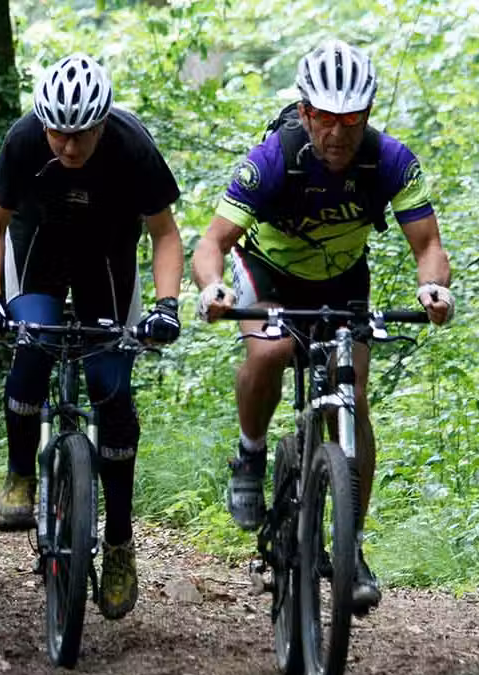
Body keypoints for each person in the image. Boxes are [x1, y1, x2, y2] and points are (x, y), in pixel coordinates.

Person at [191, 39, 453, 611]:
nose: (337, 134)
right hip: (269, 272)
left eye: (352, 120)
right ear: (305, 112)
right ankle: (251, 454)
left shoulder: (390, 161)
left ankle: (351, 544)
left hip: (340, 281)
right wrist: (212, 287)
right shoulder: (272, 160)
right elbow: (211, 243)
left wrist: (434, 286)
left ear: (368, 115)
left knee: (351, 398)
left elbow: (428, 244)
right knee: (267, 352)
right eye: (325, 119)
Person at [0, 53, 185, 620]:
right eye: (58, 133)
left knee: (111, 389)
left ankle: (117, 541)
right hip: (38, 252)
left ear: (103, 123)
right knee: (32, 347)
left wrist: (166, 306)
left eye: (81, 135)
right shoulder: (22, 141)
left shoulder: (132, 146)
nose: (67, 146)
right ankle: (19, 474)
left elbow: (164, 233)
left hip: (106, 263)